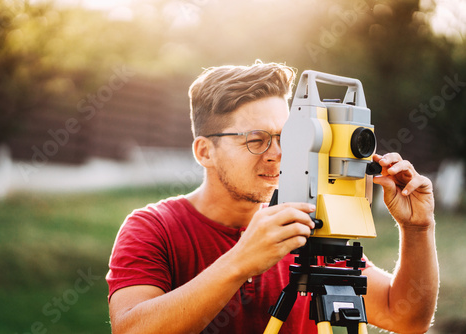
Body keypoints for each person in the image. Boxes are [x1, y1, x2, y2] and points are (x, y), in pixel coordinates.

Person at [106, 61, 439, 333]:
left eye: (286, 137)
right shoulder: (153, 228)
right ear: (205, 151)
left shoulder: (305, 223)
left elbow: (406, 317)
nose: (277, 154)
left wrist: (418, 230)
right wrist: (241, 261)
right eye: (256, 140)